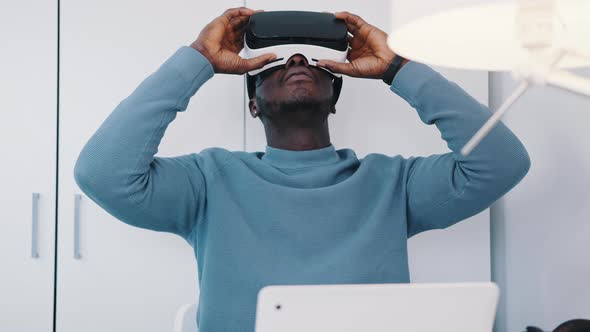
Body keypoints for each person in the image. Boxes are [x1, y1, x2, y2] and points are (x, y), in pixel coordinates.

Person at [73, 7, 531, 332]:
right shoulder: (208, 181)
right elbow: (102, 174)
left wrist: (398, 67)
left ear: (334, 95)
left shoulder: (392, 183)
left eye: (311, 59)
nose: (296, 60)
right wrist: (197, 59)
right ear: (253, 104)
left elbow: (501, 163)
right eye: (277, 61)